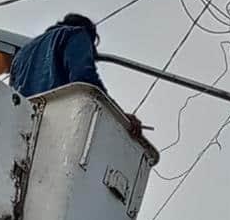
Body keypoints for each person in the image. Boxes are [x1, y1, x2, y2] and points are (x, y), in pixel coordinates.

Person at [9, 13, 143, 138]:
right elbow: (85, 79)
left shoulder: (21, 54)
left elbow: (13, 96)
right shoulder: (76, 34)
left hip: (23, 128)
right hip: (58, 120)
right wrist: (121, 118)